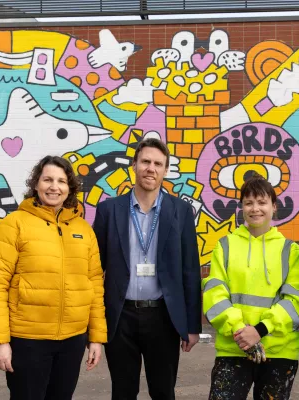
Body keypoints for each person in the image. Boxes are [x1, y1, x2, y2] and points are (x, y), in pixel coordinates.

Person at [0, 155, 107, 400]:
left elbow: (95, 285)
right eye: (48, 179)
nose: (54, 186)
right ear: (36, 184)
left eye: (61, 181)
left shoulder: (83, 229)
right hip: (28, 340)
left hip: (73, 340)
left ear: (69, 188)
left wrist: (96, 337)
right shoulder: (14, 224)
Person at [93, 138, 201, 400]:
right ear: (134, 166)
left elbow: (190, 268)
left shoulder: (181, 210)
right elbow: (94, 270)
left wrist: (192, 324)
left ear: (165, 170)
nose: (150, 168)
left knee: (164, 391)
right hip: (120, 317)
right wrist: (93, 325)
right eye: (145, 162)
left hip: (163, 316)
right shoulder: (109, 210)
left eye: (157, 164)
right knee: (123, 391)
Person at [202, 175, 299, 400]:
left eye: (262, 202)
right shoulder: (225, 246)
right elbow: (215, 294)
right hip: (234, 348)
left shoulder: (291, 251)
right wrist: (242, 332)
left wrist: (259, 330)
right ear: (241, 207)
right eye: (248, 202)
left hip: (279, 352)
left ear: (274, 207)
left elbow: (296, 301)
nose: (255, 209)